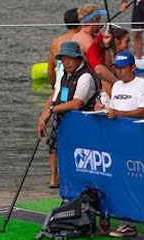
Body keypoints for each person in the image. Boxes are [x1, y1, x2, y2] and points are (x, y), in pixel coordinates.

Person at [101, 51, 144, 239]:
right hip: (116, 140)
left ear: (132, 67)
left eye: (123, 68)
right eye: (117, 68)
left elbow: (143, 111)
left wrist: (119, 114)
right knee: (118, 179)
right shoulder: (116, 86)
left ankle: (133, 220)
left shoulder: (142, 85)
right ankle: (123, 219)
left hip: (135, 140)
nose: (120, 71)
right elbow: (113, 110)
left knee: (133, 180)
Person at [39, 41, 100, 189]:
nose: (65, 62)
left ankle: (77, 180)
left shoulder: (86, 77)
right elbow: (56, 94)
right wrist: (43, 117)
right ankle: (54, 178)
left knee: (76, 153)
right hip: (62, 116)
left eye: (69, 58)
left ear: (79, 58)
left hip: (81, 122)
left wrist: (52, 110)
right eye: (63, 59)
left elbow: (76, 103)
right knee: (52, 144)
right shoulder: (64, 74)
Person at [47, 8, 80, 87]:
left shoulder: (56, 42)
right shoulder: (83, 39)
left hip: (60, 85)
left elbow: (50, 70)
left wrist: (54, 87)